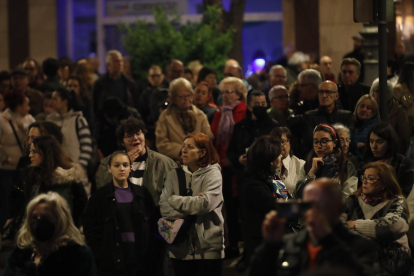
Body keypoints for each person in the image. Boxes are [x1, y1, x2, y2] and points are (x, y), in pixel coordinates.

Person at [249, 179, 376, 276]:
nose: (313, 211)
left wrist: (328, 240)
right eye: (308, 205)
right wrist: (270, 246)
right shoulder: (290, 243)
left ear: (339, 209)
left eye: (321, 204)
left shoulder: (359, 246)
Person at [159, 133, 224, 275]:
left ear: (202, 152)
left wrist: (174, 200)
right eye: (183, 146)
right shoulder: (173, 175)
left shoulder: (213, 174)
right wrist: (193, 203)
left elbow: (205, 204)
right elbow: (164, 209)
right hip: (179, 247)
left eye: (190, 147)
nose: (184, 150)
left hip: (208, 249)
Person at [84, 151, 158, 275]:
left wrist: (153, 254)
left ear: (130, 168)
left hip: (140, 259)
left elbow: (153, 225)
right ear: (109, 169)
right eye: (117, 165)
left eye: (125, 165)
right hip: (112, 260)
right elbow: (91, 229)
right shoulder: (99, 197)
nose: (121, 169)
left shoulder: (142, 194)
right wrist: (100, 255)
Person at [8, 135, 88, 237]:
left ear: (46, 153)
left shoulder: (67, 176)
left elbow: (81, 201)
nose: (30, 155)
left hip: (61, 232)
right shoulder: (30, 175)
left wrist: (67, 220)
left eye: (34, 152)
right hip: (33, 231)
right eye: (30, 151)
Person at [344, 162, 413, 276]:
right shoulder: (352, 199)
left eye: (370, 179)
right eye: (364, 177)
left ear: (384, 183)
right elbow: (338, 225)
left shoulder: (396, 201)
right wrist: (365, 239)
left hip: (392, 261)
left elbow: (393, 227)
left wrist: (355, 224)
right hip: (361, 258)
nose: (364, 182)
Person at [3, 192, 93, 276]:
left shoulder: (76, 256)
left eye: (45, 217)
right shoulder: (18, 257)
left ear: (59, 221)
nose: (38, 222)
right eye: (34, 217)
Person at [211, 76, 248, 258]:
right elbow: (215, 140)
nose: (225, 96)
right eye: (223, 92)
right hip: (222, 166)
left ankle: (246, 246)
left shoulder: (244, 111)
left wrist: (232, 158)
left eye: (229, 92)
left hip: (239, 165)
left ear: (239, 93)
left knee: (242, 206)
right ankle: (232, 244)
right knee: (229, 208)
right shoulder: (219, 113)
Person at [241, 136, 284, 269]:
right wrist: (306, 206)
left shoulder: (273, 178)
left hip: (276, 243)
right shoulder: (253, 185)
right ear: (270, 159)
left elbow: (286, 198)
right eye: (278, 153)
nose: (281, 156)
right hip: (262, 248)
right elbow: (280, 207)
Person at [227, 89, 278, 198]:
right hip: (244, 175)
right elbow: (230, 151)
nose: (261, 106)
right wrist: (239, 159)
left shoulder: (273, 126)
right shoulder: (240, 126)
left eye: (263, 104)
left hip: (266, 175)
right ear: (249, 106)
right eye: (257, 104)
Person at [294, 124, 358, 200]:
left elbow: (348, 198)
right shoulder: (307, 165)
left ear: (334, 143)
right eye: (316, 142)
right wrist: (311, 173)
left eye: (324, 141)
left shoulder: (346, 166)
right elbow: (297, 196)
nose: (319, 146)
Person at [155, 78, 214, 160]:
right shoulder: (165, 116)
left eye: (189, 95)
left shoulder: (200, 115)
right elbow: (161, 143)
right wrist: (181, 150)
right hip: (174, 164)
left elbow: (208, 138)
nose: (186, 99)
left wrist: (197, 150)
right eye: (181, 96)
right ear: (173, 98)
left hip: (197, 163)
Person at [357, 123, 414, 198]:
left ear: (390, 143)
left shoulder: (405, 164)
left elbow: (404, 196)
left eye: (379, 142)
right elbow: (358, 192)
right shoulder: (364, 164)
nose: (374, 146)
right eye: (371, 141)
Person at [302, 80, 355, 155]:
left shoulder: (346, 116)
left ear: (336, 96)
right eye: (321, 92)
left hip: (341, 157)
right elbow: (310, 141)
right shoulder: (309, 116)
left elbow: (349, 138)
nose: (324, 95)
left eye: (328, 92)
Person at [46, 88, 92, 170]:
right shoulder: (49, 121)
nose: (51, 102)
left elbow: (86, 146)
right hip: (55, 169)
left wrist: (80, 167)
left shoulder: (78, 120)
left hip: (74, 169)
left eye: (55, 99)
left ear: (64, 101)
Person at [93, 50, 139, 116]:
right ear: (108, 64)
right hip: (106, 121)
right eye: (116, 61)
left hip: (125, 120)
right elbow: (96, 106)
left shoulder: (130, 83)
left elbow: (135, 104)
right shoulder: (100, 84)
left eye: (121, 61)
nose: (120, 63)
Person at [370, 78, 410, 155]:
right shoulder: (368, 107)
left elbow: (404, 138)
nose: (382, 94)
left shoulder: (398, 111)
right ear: (372, 93)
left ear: (391, 94)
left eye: (386, 91)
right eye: (378, 91)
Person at [0, 91, 35, 171]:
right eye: (27, 105)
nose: (29, 108)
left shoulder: (29, 119)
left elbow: (38, 136)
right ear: (19, 107)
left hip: (27, 167)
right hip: (8, 168)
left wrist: (24, 127)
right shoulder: (2, 120)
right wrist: (3, 157)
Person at [270, 127, 306, 195]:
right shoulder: (267, 165)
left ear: (290, 142)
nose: (280, 145)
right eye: (276, 142)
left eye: (283, 141)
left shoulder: (301, 165)